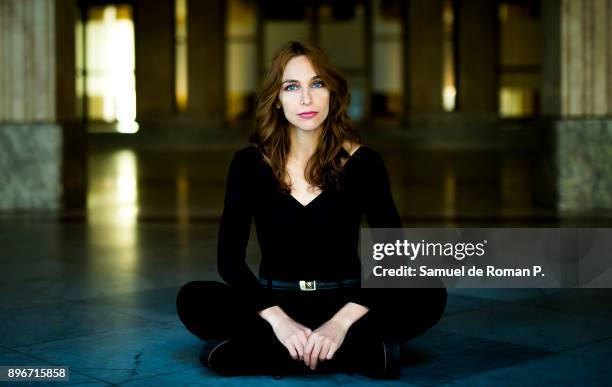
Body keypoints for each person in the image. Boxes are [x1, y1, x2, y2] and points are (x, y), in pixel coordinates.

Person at [176, 41, 447, 379]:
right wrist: (280, 321)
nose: (306, 99)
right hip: (275, 301)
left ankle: (271, 353)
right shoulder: (248, 164)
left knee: (428, 291)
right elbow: (229, 261)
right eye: (292, 87)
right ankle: (364, 352)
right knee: (193, 299)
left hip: (346, 302)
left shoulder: (364, 163)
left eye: (317, 84)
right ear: (277, 98)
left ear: (332, 92)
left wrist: (339, 323)